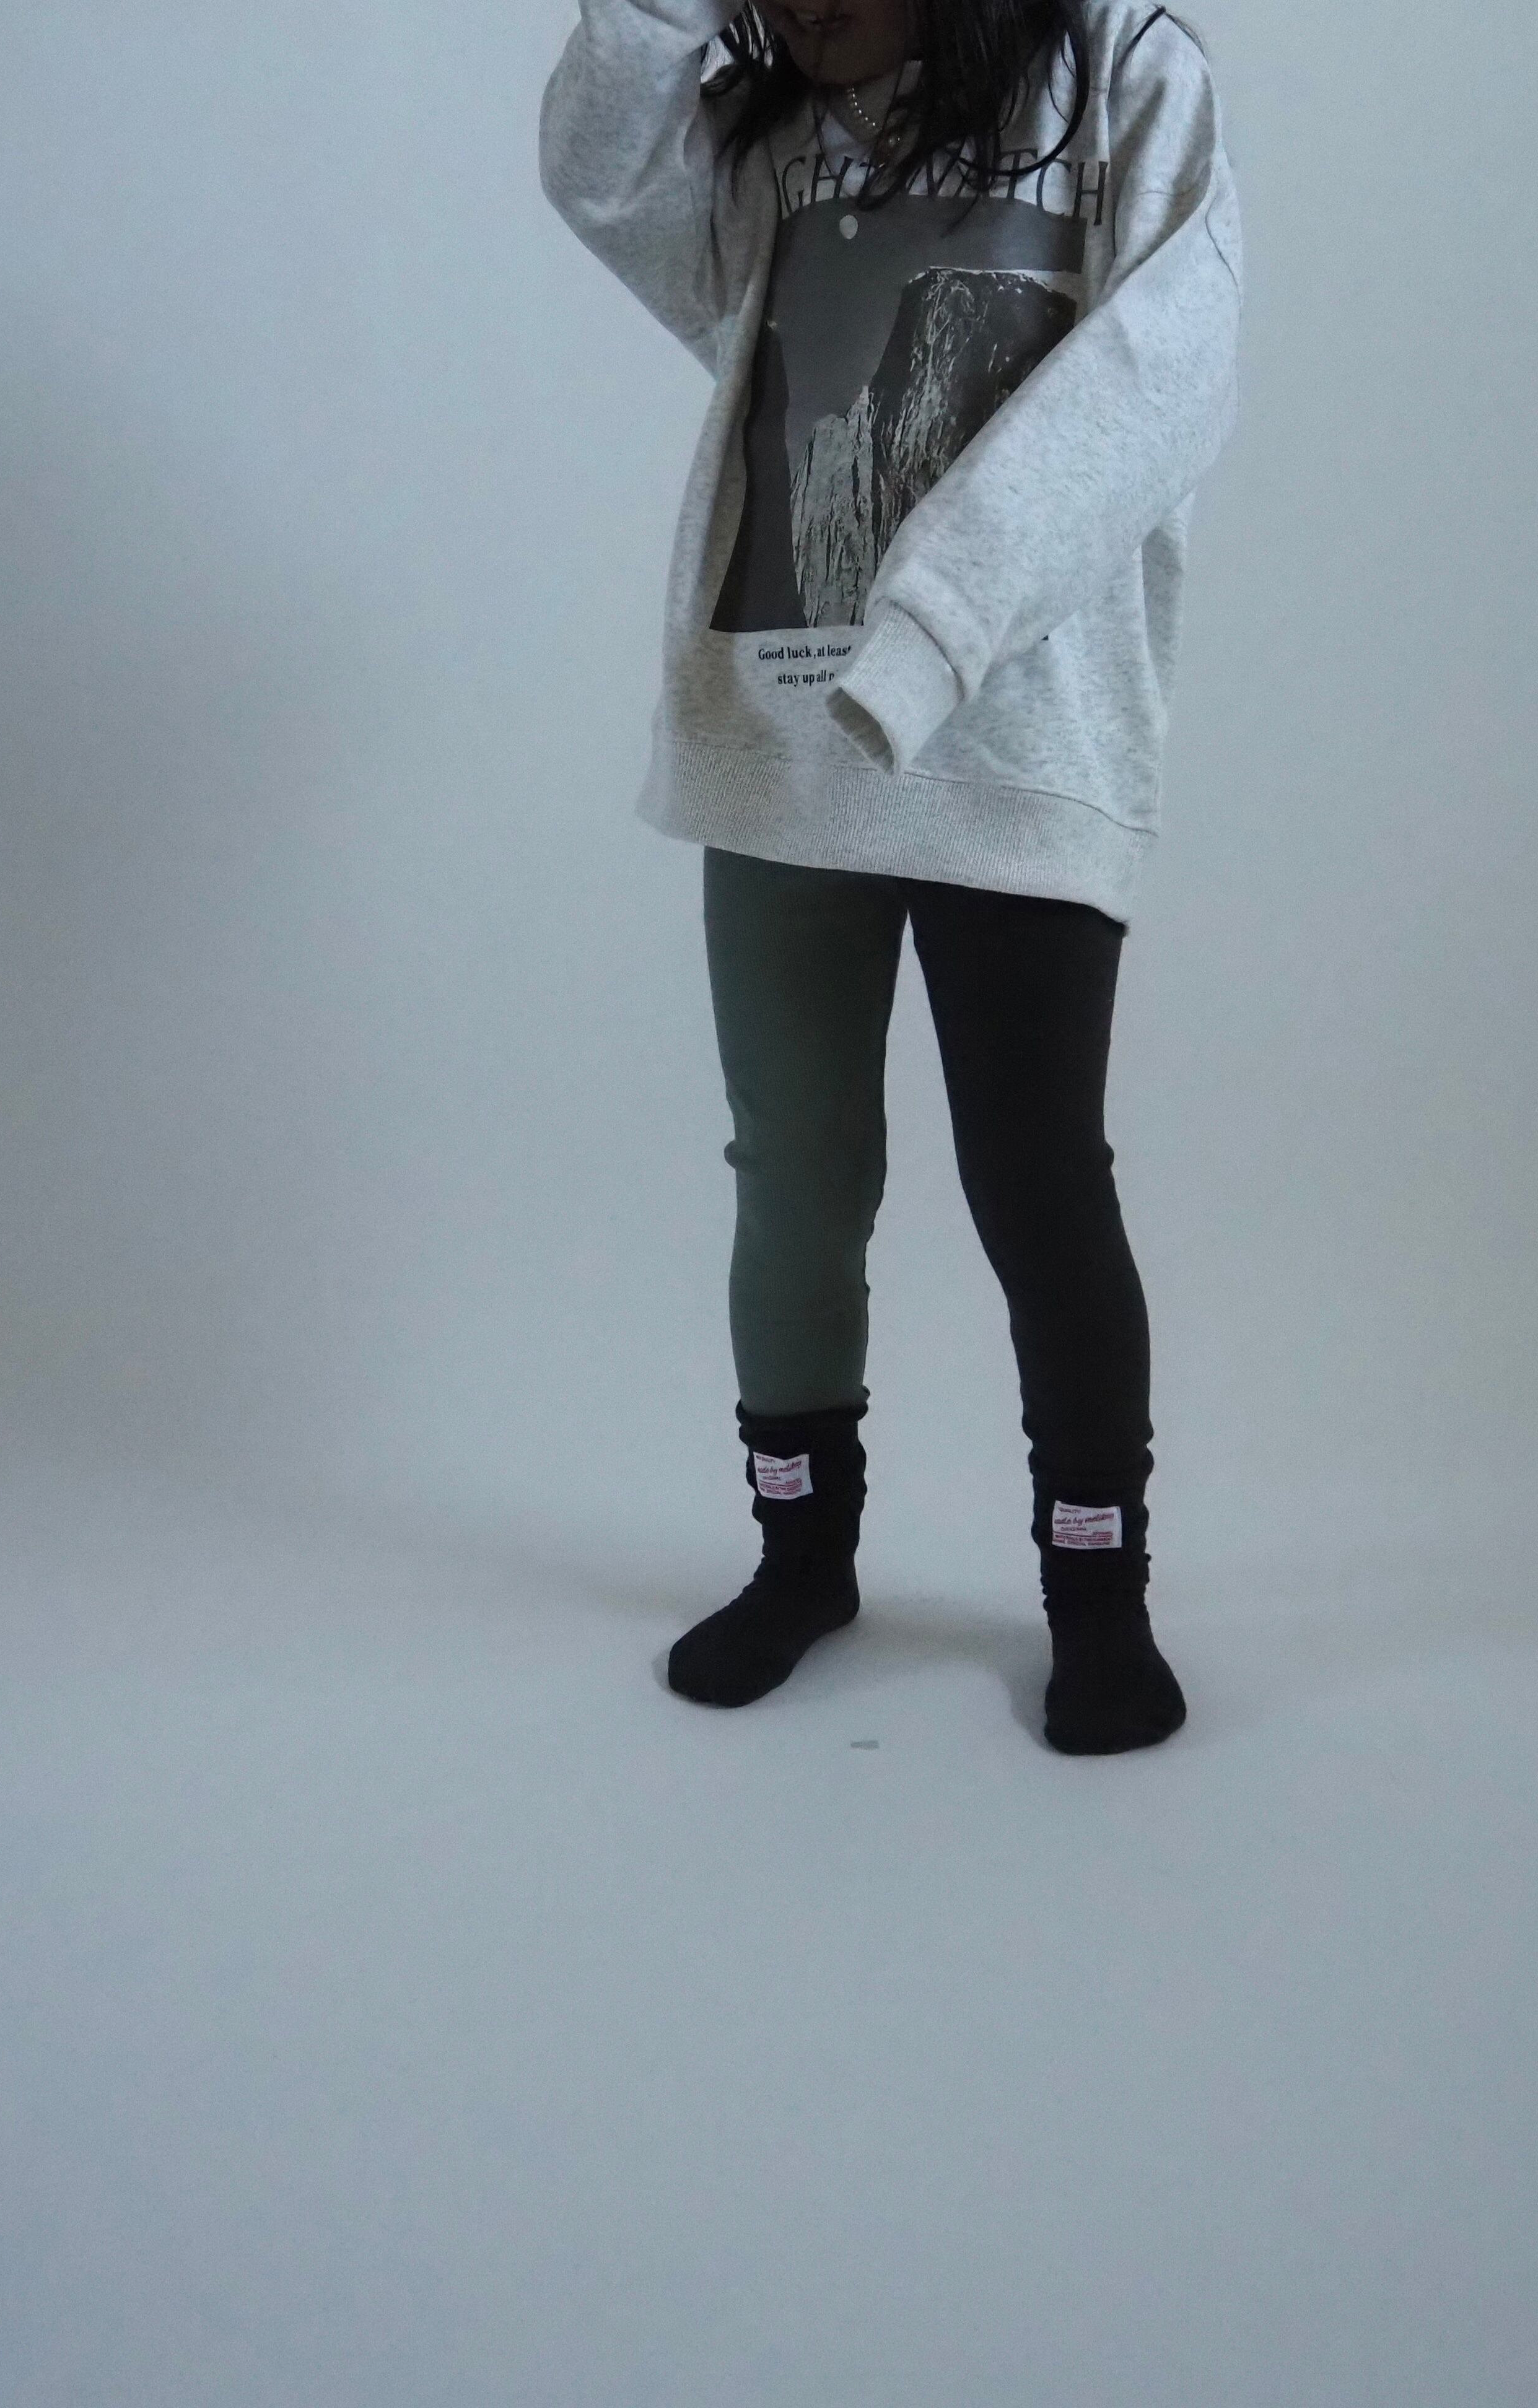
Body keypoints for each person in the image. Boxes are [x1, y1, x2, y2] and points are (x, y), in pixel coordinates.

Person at [538, 0, 1243, 1751]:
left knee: (1037, 1182)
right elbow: (597, 169)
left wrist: (937, 622)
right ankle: (802, 1555)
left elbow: (1169, 368)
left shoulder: (1126, 70)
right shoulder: (762, 138)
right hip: (782, 746)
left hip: (1018, 742)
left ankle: (1098, 1593)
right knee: (794, 1176)